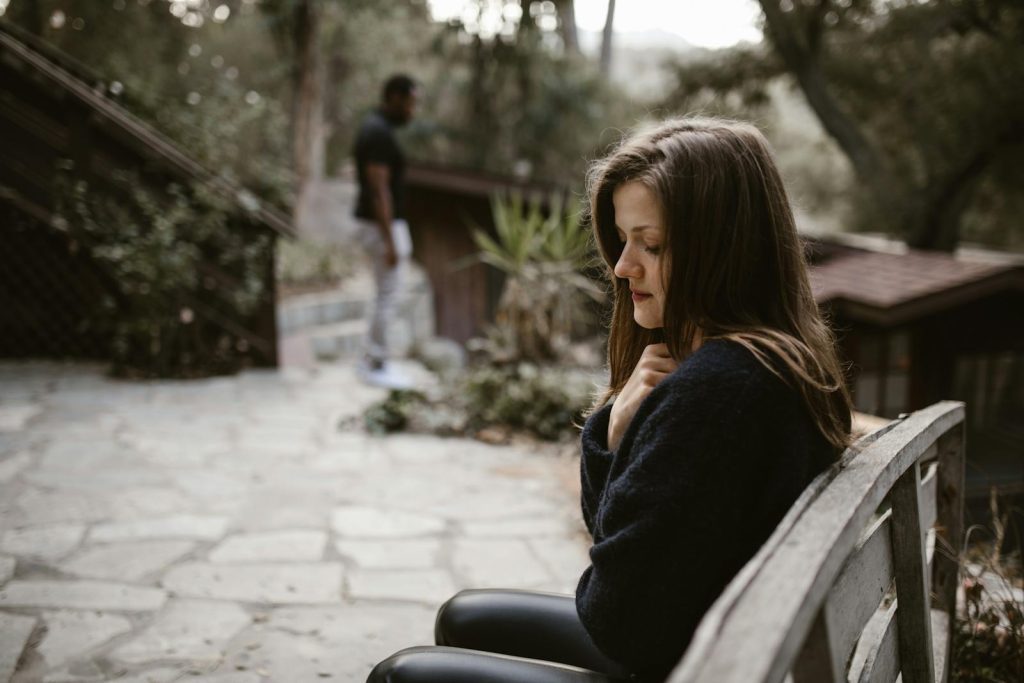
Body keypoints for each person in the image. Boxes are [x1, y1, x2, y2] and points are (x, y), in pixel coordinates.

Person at [365, 117, 853, 682]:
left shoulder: (721, 390)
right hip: (708, 641)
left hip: (694, 662)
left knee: (399, 676)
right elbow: (631, 563)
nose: (623, 268)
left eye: (652, 244)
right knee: (462, 615)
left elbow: (618, 621)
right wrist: (617, 434)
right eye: (623, 240)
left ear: (725, 250)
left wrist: (620, 441)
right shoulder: (772, 362)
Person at [353, 73, 418, 389]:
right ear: (393, 96)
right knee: (390, 295)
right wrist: (390, 240)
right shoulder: (377, 133)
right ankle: (376, 363)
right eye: (409, 102)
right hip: (383, 228)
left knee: (386, 295)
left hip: (383, 227)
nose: (412, 110)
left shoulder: (376, 129)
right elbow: (379, 191)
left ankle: (372, 360)